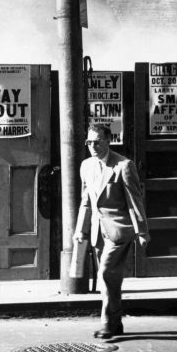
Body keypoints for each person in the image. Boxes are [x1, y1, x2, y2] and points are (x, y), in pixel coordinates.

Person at [73, 124, 150, 339]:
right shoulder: (86, 166)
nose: (93, 146)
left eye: (97, 141)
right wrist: (81, 230)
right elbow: (86, 202)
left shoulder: (123, 165)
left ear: (109, 141)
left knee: (105, 273)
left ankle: (107, 323)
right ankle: (116, 323)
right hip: (98, 232)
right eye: (89, 142)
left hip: (118, 231)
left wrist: (142, 231)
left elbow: (135, 201)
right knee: (111, 280)